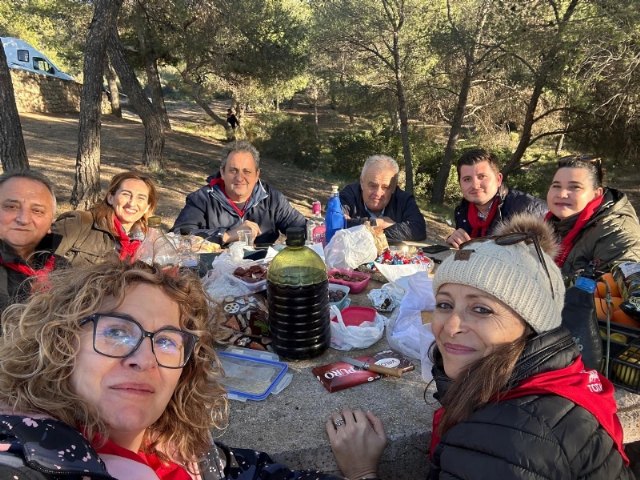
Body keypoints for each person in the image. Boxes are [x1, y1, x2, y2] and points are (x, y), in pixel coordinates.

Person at [329, 213, 633, 479]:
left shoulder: (511, 438)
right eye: (445, 304)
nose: (450, 326)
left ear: (532, 323)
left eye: (482, 309)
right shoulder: (554, 385)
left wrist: (361, 473)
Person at [0, 259, 345, 479]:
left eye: (166, 340)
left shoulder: (185, 451)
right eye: (117, 332)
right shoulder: (32, 447)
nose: (144, 358)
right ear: (62, 343)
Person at [172, 141, 307, 246]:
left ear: (257, 174)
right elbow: (177, 237)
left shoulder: (272, 199)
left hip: (261, 275)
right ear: (222, 172)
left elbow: (302, 227)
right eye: (233, 171)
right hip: (214, 274)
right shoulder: (201, 199)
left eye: (247, 171)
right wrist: (227, 235)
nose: (240, 178)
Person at [545, 154, 640, 278]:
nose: (562, 194)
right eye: (556, 186)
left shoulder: (615, 233)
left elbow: (630, 281)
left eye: (575, 187)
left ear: (596, 194)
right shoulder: (550, 223)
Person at [52, 171, 157, 267]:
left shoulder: (150, 244)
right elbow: (39, 260)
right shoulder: (79, 223)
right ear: (110, 198)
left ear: (147, 207)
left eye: (141, 198)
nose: (132, 203)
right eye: (126, 194)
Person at [446, 148, 546, 248]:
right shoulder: (463, 212)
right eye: (467, 179)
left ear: (498, 179)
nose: (475, 185)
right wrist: (455, 241)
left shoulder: (526, 209)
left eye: (482, 176)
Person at [0, 170, 64, 314]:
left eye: (37, 211)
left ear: (50, 223)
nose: (23, 219)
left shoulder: (63, 269)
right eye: (11, 207)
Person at [339, 155, 427, 242]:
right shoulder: (349, 194)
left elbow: (418, 229)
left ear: (393, 188)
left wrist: (360, 227)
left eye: (385, 187)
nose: (378, 193)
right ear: (362, 182)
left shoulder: (404, 200)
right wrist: (379, 223)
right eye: (373, 186)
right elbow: (336, 222)